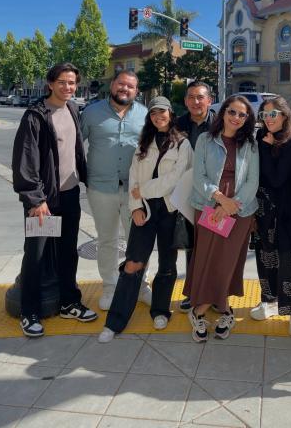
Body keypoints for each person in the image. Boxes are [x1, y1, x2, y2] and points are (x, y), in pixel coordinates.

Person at [12, 62, 97, 337]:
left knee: (67, 252)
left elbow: (75, 151)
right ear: (50, 83)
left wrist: (86, 178)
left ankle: (69, 302)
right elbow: (26, 160)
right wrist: (36, 199)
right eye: (62, 82)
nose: (68, 87)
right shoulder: (35, 116)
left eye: (72, 82)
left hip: (70, 195)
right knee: (36, 255)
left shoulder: (73, 109)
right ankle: (30, 311)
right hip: (44, 200)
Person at [98, 96, 192, 342]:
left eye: (162, 112)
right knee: (133, 263)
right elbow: (133, 177)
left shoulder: (183, 145)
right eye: (153, 113)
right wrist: (135, 206)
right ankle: (115, 321)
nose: (158, 117)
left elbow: (174, 179)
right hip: (145, 210)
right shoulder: (143, 143)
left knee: (167, 264)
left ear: (171, 114)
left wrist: (145, 191)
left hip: (170, 211)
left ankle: (160, 310)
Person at [184, 95, 259, 342]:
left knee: (227, 262)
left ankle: (200, 310)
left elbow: (252, 182)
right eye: (232, 112)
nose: (236, 118)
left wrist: (230, 206)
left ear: (247, 119)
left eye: (242, 115)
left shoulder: (250, 144)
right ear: (223, 113)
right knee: (208, 258)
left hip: (240, 211)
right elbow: (199, 177)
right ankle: (222, 310)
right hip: (209, 207)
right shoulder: (206, 140)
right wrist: (219, 199)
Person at [80, 70, 152, 310]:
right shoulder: (91, 112)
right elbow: (75, 146)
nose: (125, 89)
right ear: (112, 85)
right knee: (107, 240)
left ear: (136, 91)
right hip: (101, 188)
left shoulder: (145, 115)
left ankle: (140, 286)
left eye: (130, 86)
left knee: (138, 241)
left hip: (135, 191)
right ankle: (110, 287)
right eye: (121, 84)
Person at [250, 96, 291, 336]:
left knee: (286, 260)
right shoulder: (260, 138)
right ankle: (269, 300)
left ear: (284, 116)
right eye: (265, 115)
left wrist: (267, 145)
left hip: (284, 212)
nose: (269, 119)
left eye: (273, 114)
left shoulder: (290, 142)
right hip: (262, 210)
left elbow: (276, 178)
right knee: (264, 257)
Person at [177, 80, 215, 312]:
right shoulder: (177, 124)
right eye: (191, 97)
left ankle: (215, 293)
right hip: (185, 194)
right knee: (191, 244)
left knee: (215, 245)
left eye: (200, 97)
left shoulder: (220, 124)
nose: (196, 101)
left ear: (209, 100)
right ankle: (193, 292)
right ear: (185, 101)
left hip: (214, 196)